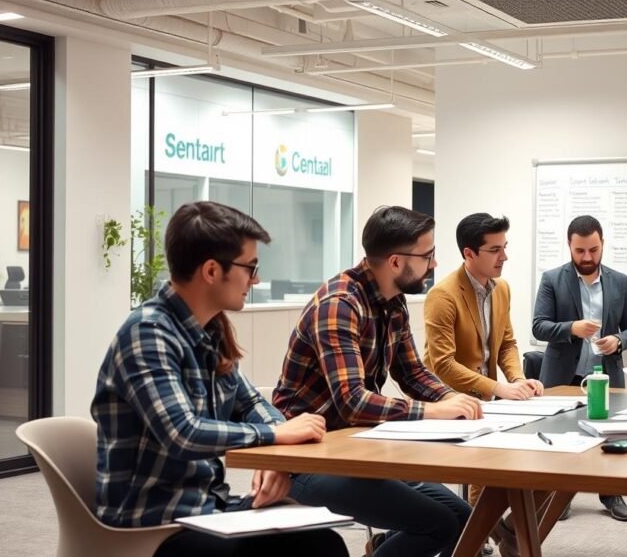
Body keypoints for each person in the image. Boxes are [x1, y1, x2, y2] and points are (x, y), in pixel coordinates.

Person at [91, 201, 346, 557]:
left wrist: (274, 458)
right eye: (250, 267)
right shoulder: (147, 333)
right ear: (212, 270)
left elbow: (251, 403)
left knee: (322, 542)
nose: (256, 280)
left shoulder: (210, 332)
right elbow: (182, 433)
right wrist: (274, 435)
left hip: (207, 508)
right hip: (153, 524)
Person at [273, 206, 482, 557]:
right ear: (396, 262)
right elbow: (352, 401)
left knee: (464, 520)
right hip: (307, 460)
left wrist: (453, 400)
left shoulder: (393, 301)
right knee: (439, 524)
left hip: (356, 450)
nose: (434, 264)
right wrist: (433, 411)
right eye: (427, 255)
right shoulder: (339, 305)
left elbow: (412, 373)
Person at [423, 213, 545, 557]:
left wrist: (517, 379)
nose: (504, 256)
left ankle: (504, 532)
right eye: (494, 250)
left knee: (544, 464)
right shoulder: (443, 295)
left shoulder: (501, 288)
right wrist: (498, 388)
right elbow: (443, 364)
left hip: (488, 399)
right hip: (447, 399)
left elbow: (506, 344)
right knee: (485, 466)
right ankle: (476, 540)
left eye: (504, 247)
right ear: (469, 253)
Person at [531, 214, 627, 522]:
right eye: (579, 250)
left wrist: (618, 341)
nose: (587, 257)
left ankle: (611, 493)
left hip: (605, 376)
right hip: (562, 377)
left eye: (593, 250)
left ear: (602, 244)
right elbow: (539, 326)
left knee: (608, 436)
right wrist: (572, 328)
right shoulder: (552, 279)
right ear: (569, 245)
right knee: (561, 437)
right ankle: (559, 495)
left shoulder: (619, 281)